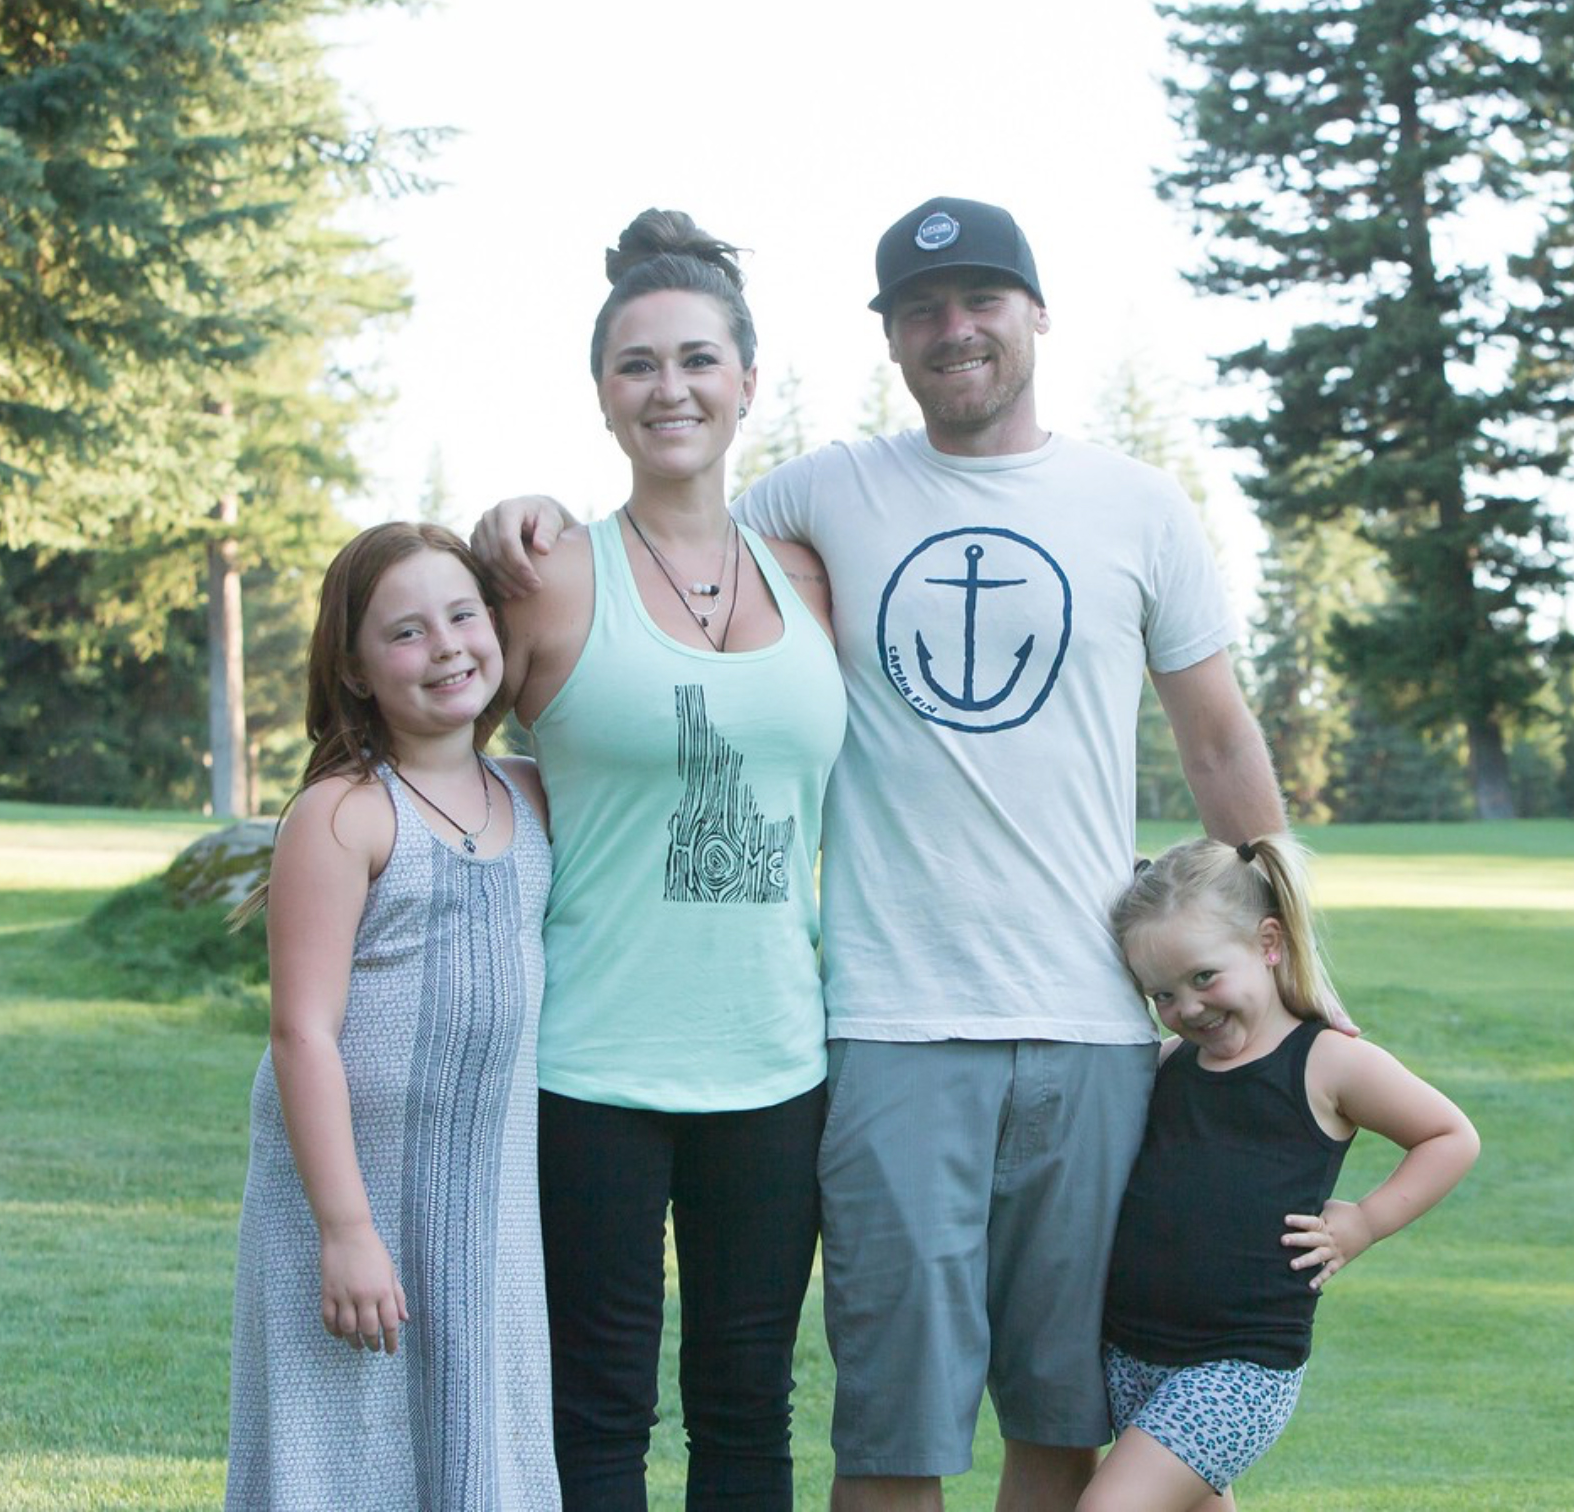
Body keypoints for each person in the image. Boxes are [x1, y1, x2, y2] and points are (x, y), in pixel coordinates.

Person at [480, 195, 1310, 1512]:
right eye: (922, 310)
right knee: (889, 1429)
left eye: (984, 300)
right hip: (885, 1026)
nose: (956, 328)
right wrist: (528, 513)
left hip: (1094, 1028)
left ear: (1037, 314)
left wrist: (1293, 964)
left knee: (1060, 1412)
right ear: (890, 338)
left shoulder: (1139, 508)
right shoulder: (822, 498)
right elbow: (668, 532)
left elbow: (1216, 743)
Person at [498, 208, 843, 1510]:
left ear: (747, 381)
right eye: (638, 365)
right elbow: (428, 749)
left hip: (774, 1060)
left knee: (749, 1407)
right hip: (588, 1063)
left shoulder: (813, 579)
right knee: (595, 1408)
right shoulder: (547, 579)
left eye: (698, 359)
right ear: (601, 395)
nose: (671, 387)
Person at [224, 522, 558, 1511]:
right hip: (348, 1202)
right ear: (358, 669)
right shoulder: (346, 812)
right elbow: (301, 1033)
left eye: (463, 616)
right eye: (406, 632)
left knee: (477, 1447)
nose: (447, 645)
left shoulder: (532, 795)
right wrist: (344, 1229)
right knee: (341, 1454)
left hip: (487, 1208)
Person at [1089, 833, 1479, 1512]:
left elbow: (1450, 1135)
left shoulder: (1328, 1062)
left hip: (1239, 1365)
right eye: (1163, 994)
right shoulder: (1170, 1062)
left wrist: (1363, 1222)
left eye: (1204, 977)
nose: (1188, 1008)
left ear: (1269, 943)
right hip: (1132, 1350)